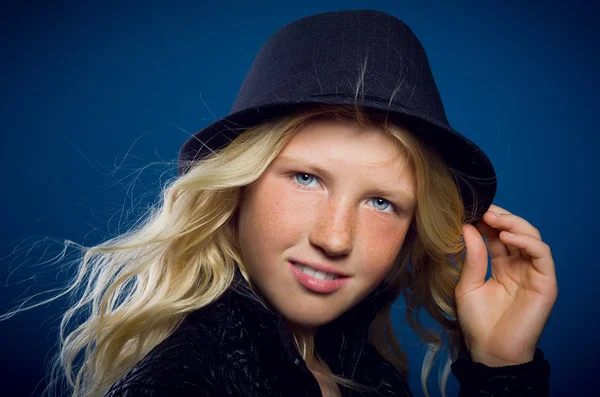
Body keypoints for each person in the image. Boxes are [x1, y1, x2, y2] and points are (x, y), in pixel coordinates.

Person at [3, 9, 557, 397]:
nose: (335, 238)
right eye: (306, 179)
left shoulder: (356, 371)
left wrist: (503, 369)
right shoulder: (180, 382)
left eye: (383, 203)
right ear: (235, 189)